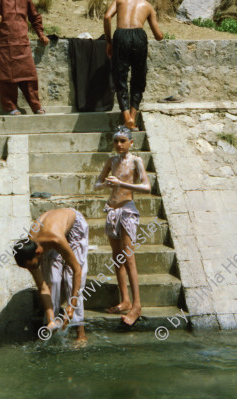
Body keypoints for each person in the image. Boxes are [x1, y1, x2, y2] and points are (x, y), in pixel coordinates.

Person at [94, 125, 151, 327]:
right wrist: (107, 185)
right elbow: (96, 184)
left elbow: (146, 187)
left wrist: (121, 183)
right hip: (112, 210)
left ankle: (137, 305)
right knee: (117, 258)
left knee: (129, 258)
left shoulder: (136, 161)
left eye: (122, 141)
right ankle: (125, 300)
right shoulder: (112, 160)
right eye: (116, 141)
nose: (119, 144)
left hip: (127, 209)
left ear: (131, 143)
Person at [13, 207, 88, 344]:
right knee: (52, 280)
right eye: (28, 267)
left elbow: (77, 270)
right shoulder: (28, 252)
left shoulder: (55, 239)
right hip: (51, 229)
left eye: (32, 265)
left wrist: (71, 306)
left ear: (39, 252)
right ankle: (51, 325)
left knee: (71, 278)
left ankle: (80, 332)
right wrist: (50, 317)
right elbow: (43, 287)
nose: (32, 269)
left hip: (73, 225)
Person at [104, 0, 163, 131]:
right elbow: (158, 36)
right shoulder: (147, 5)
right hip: (139, 36)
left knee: (120, 76)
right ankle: (132, 118)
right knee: (138, 77)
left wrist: (109, 42)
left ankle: (126, 118)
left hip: (121, 35)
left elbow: (107, 17)